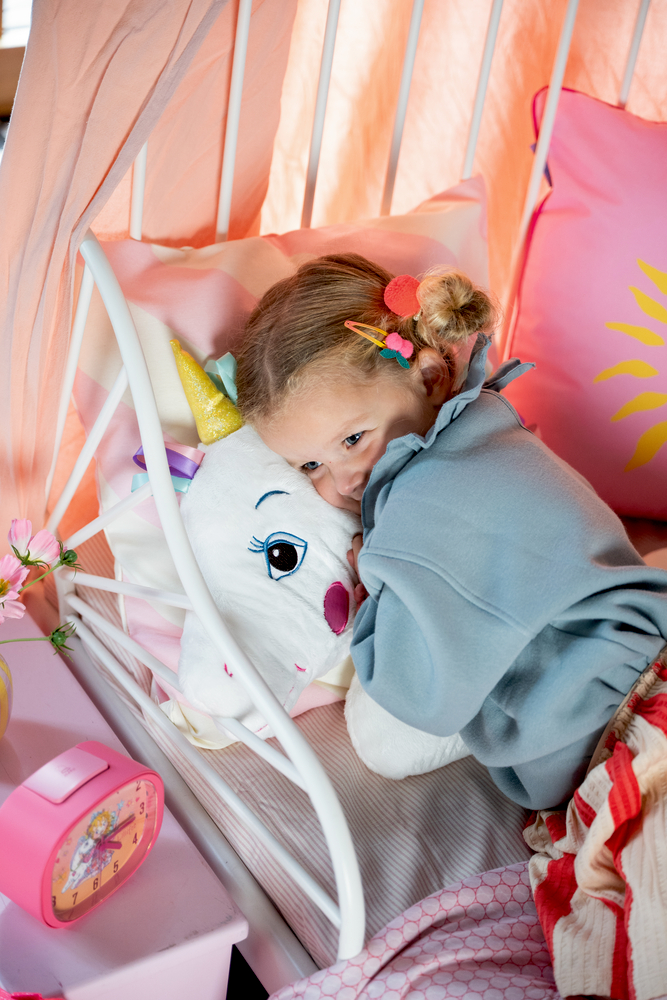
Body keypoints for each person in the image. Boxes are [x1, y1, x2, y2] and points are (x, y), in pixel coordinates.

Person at [235, 252, 667, 810]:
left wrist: (374, 587)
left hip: (617, 722)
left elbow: (416, 697)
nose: (342, 481)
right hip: (633, 654)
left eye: (352, 440)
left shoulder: (421, 501)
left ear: (432, 377)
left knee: (379, 744)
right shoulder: (489, 429)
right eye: (309, 467)